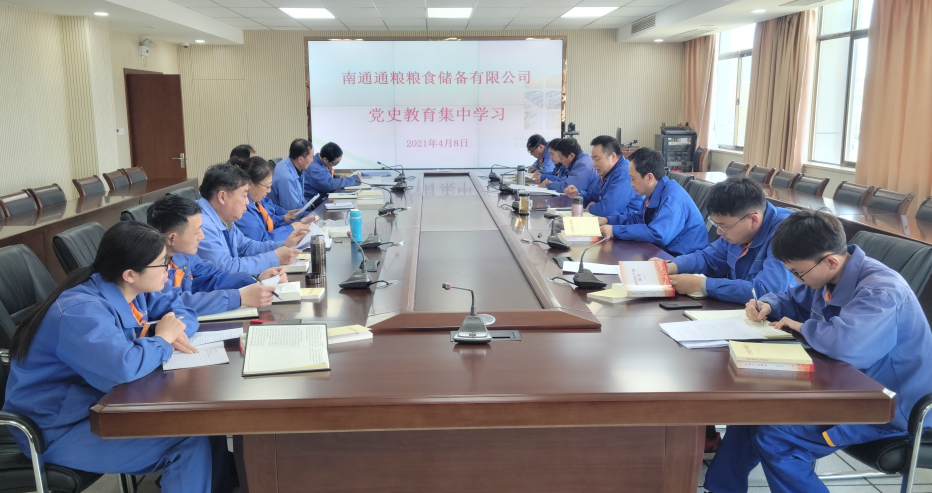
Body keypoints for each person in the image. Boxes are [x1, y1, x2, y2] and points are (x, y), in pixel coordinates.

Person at [704, 210, 932, 493]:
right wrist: (768, 304)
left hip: (891, 407)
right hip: (847, 387)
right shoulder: (828, 275)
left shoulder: (881, 292)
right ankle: (722, 488)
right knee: (753, 411)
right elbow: (790, 298)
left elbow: (847, 345)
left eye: (798, 273)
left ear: (830, 260)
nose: (797, 280)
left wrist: (801, 326)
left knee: (778, 439)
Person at [1, 221, 224, 493]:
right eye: (162, 263)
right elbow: (123, 368)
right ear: (130, 274)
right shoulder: (80, 311)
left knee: (205, 426)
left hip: (99, 407)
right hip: (55, 430)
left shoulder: (133, 291)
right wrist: (163, 339)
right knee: (186, 443)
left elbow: (181, 310)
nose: (169, 269)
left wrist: (175, 331)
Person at [652, 177, 796, 303]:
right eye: (716, 225)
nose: (719, 232)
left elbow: (767, 291)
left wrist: (702, 285)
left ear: (753, 220)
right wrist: (672, 266)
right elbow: (708, 258)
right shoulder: (737, 231)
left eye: (724, 226)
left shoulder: (787, 234)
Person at [147, 194, 283, 316]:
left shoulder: (183, 253)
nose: (202, 236)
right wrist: (239, 297)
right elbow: (173, 304)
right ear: (172, 238)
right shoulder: (151, 267)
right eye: (197, 232)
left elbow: (212, 277)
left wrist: (254, 279)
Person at [596, 147, 708, 256]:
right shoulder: (653, 192)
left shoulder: (672, 198)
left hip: (684, 259)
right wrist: (607, 220)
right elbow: (639, 218)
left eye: (633, 179)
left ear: (649, 178)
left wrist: (615, 230)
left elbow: (658, 235)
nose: (631, 184)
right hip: (665, 252)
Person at [196, 163, 303, 275]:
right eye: (244, 196)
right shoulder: (201, 225)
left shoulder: (223, 215)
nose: (247, 202)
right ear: (222, 197)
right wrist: (274, 258)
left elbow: (246, 246)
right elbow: (226, 269)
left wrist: (284, 245)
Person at [231, 156, 316, 242]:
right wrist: (291, 228)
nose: (269, 191)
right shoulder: (242, 209)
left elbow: (270, 223)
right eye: (267, 187)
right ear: (250, 184)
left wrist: (298, 223)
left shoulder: (256, 201)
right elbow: (261, 241)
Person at [564, 135, 642, 217]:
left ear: (613, 156)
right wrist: (578, 195)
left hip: (626, 224)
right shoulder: (606, 172)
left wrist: (591, 208)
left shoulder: (624, 174)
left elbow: (608, 210)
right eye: (593, 159)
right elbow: (593, 197)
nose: (594, 164)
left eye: (597, 159)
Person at [269, 138, 314, 211]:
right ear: (300, 159)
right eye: (311, 157)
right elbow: (293, 211)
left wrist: (311, 207)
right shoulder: (286, 178)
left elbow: (301, 200)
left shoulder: (294, 166)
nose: (312, 160)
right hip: (285, 215)